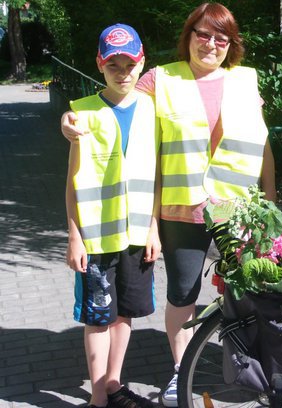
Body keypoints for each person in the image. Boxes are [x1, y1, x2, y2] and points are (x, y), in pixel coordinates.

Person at [62, 3, 276, 407]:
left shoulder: (245, 82)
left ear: (231, 45)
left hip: (237, 209)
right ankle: (182, 370)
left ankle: (247, 369)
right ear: (188, 35)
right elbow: (113, 105)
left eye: (220, 37)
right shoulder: (158, 79)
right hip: (181, 210)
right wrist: (68, 122)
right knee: (183, 294)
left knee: (246, 291)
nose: (210, 43)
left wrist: (270, 195)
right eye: (202, 33)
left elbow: (260, 144)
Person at [65, 23, 160, 408]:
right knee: (98, 318)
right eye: (113, 65)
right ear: (99, 65)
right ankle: (97, 397)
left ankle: (115, 383)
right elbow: (72, 182)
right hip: (95, 238)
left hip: (137, 236)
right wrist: (73, 236)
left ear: (142, 62)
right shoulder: (81, 114)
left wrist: (153, 227)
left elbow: (156, 176)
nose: (123, 73)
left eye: (130, 63)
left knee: (125, 316)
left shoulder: (153, 109)